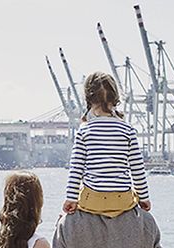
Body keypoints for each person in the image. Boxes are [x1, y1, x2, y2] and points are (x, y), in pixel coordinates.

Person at [63, 72, 150, 218]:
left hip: (92, 201)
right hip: (122, 201)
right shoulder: (128, 130)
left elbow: (76, 169)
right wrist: (144, 197)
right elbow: (137, 169)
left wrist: (71, 198)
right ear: (115, 98)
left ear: (88, 99)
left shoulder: (84, 130)